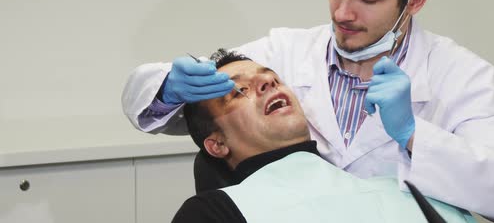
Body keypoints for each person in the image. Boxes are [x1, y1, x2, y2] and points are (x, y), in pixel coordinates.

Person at [122, 0, 494, 222]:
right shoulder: (286, 53)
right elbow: (202, 109)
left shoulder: (460, 75)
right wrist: (167, 88)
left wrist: (414, 135)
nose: (342, 12)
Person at [172, 49, 475, 223]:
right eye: (240, 91)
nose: (267, 81)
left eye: (272, 77)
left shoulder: (406, 193)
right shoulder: (213, 214)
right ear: (217, 144)